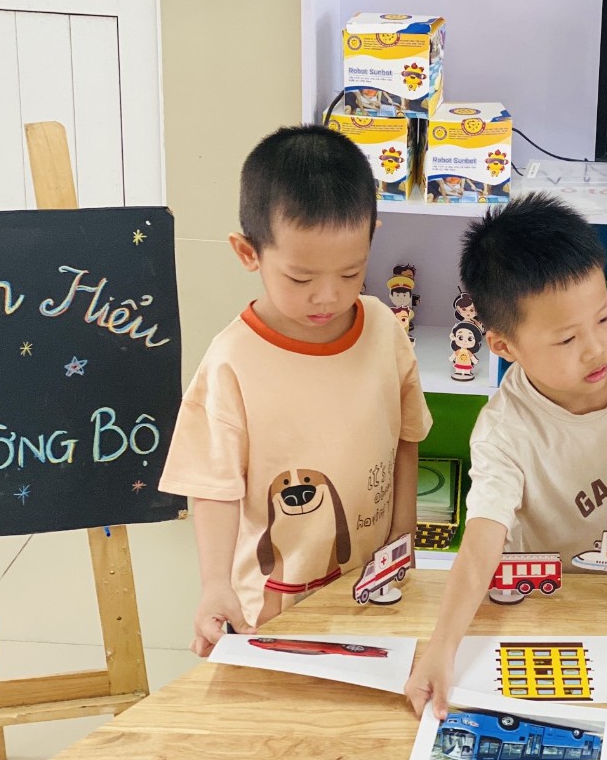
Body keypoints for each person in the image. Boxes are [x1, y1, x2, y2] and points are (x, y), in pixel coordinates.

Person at [404, 193, 607, 717]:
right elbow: (481, 539)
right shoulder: (504, 432)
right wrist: (442, 646)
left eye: (603, 319)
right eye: (566, 340)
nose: (597, 348)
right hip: (542, 607)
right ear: (504, 347)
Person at [159, 124, 431, 656]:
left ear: (371, 237)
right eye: (301, 279)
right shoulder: (232, 362)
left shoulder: (383, 329)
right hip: (272, 603)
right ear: (248, 253)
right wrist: (214, 584)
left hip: (372, 585)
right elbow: (214, 486)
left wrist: (405, 537)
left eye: (351, 273)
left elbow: (407, 437)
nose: (327, 297)